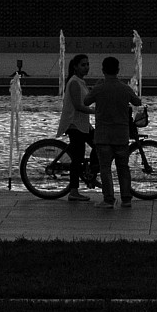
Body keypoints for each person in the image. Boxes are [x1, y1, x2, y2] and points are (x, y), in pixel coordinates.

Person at [88, 54, 144, 208]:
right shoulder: (124, 88)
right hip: (121, 135)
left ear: (103, 70)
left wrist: (96, 88)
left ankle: (108, 200)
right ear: (118, 70)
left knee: (105, 169)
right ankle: (126, 199)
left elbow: (86, 101)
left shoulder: (99, 88)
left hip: (103, 135)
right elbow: (137, 102)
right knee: (123, 167)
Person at [57, 53, 93, 201]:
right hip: (74, 124)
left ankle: (91, 172)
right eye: (83, 65)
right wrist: (96, 111)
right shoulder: (74, 82)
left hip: (82, 124)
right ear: (75, 67)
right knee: (77, 158)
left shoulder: (80, 81)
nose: (86, 67)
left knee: (99, 144)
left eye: (87, 64)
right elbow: (78, 106)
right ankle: (73, 191)